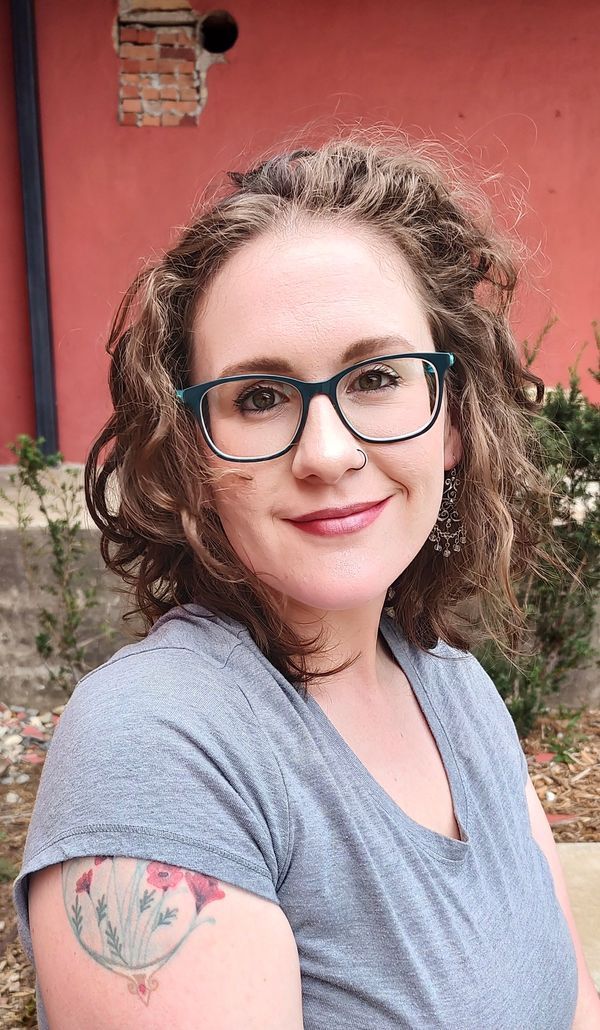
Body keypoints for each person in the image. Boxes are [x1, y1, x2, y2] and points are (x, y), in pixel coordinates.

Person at [13, 137, 600, 1029]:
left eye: (375, 378)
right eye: (257, 397)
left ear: (451, 418)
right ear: (194, 454)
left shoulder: (454, 686)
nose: (328, 453)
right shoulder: (161, 751)